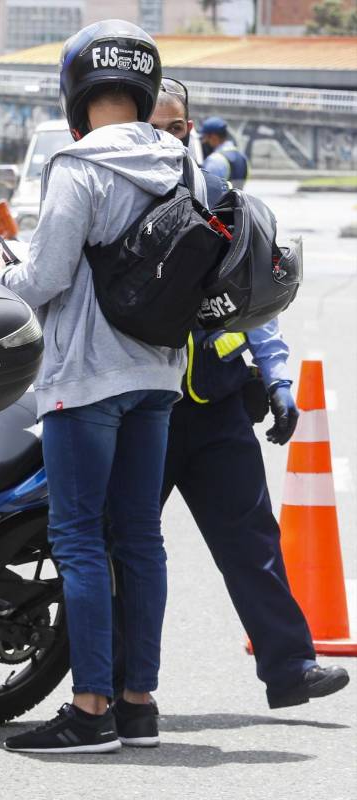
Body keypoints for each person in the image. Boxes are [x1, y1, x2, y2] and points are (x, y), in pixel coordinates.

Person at [0, 20, 182, 753]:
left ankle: (90, 709)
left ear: (76, 90)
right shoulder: (181, 162)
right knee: (140, 538)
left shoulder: (78, 164)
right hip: (159, 373)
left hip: (88, 376)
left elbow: (45, 278)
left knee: (79, 538)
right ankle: (138, 704)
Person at [133, 80, 351, 710]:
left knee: (252, 541)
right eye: (155, 127)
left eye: (177, 128)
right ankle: (121, 690)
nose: (168, 139)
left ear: (192, 129)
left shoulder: (218, 198)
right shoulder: (115, 198)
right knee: (128, 553)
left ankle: (291, 668)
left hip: (217, 406)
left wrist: (278, 380)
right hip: (140, 409)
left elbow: (253, 298)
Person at [200, 116, 249, 188]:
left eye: (205, 137)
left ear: (214, 137)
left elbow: (206, 187)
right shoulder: (242, 157)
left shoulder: (214, 160)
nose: (203, 141)